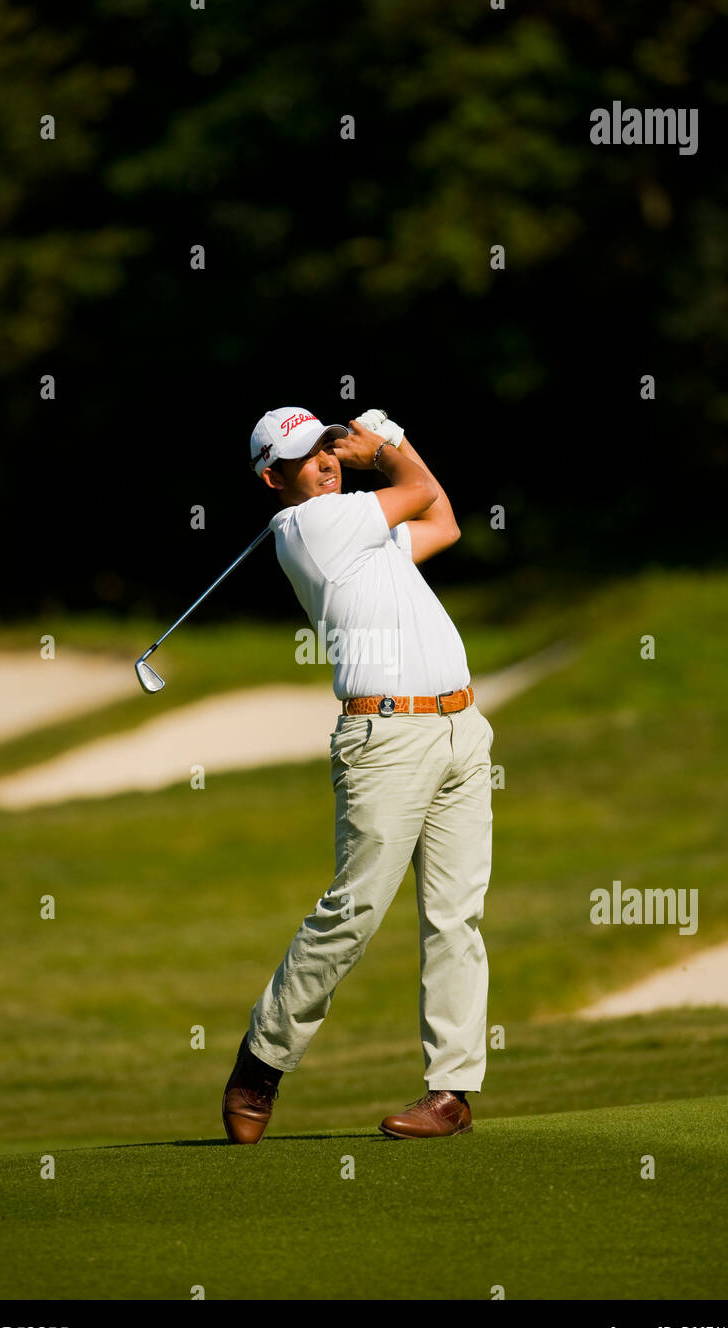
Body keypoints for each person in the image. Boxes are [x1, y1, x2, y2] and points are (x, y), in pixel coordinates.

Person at [222, 405, 494, 1141]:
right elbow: (417, 487)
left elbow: (443, 521)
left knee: (455, 916)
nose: (326, 460)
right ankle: (261, 1062)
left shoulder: (362, 535)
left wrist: (390, 448)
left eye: (328, 449)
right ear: (273, 478)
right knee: (355, 911)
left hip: (460, 731)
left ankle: (452, 1093)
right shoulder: (309, 528)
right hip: (386, 737)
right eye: (307, 456)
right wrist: (391, 442)